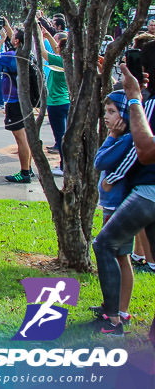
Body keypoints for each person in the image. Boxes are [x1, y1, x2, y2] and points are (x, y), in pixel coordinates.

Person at [92, 42, 155, 340]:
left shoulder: (145, 103)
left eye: (140, 67)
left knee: (104, 245)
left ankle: (114, 319)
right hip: (143, 192)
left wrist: (133, 98)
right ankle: (115, 312)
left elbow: (142, 151)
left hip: (147, 192)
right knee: (118, 251)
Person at [90, 90, 135, 334]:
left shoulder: (127, 139)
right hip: (113, 206)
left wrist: (112, 137)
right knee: (119, 256)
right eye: (105, 111)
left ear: (125, 115)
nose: (106, 116)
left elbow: (100, 162)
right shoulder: (120, 138)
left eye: (111, 112)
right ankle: (114, 306)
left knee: (120, 257)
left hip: (121, 207)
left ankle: (120, 312)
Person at [0, 26, 37, 183]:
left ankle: (24, 173)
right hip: (25, 99)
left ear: (17, 40)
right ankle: (29, 168)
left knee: (21, 139)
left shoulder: (12, 56)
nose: (10, 37)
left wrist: (1, 39)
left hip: (15, 101)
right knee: (27, 136)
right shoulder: (28, 54)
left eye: (13, 35)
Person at [38, 20, 70, 174]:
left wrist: (39, 36)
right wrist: (49, 35)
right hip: (67, 102)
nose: (56, 47)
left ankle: (64, 167)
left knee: (60, 137)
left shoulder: (59, 60)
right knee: (67, 136)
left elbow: (44, 53)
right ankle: (68, 165)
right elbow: (58, 50)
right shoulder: (70, 60)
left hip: (56, 104)